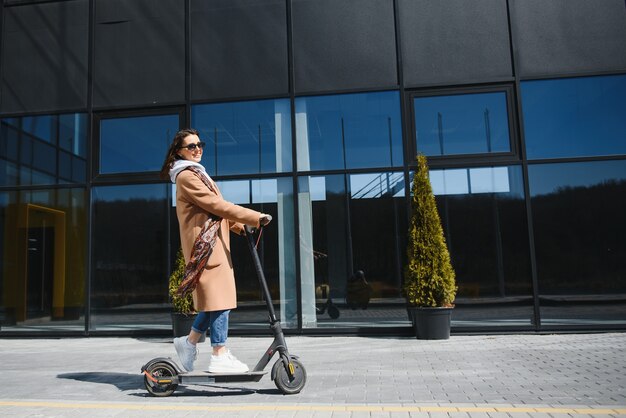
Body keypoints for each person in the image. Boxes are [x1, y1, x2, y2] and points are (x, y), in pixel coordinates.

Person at [160, 128, 272, 373]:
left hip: (214, 245)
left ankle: (188, 342)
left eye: (200, 144)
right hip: (205, 248)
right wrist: (255, 217)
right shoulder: (186, 177)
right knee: (220, 300)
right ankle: (219, 353)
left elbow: (215, 212)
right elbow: (216, 205)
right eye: (191, 146)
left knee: (215, 301)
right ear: (179, 152)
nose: (197, 149)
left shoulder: (199, 174)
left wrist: (241, 227)